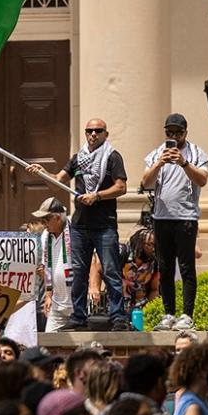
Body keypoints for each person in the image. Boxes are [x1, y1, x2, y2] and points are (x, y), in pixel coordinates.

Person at [28, 118, 129, 330]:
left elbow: (121, 187)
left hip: (104, 225)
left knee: (110, 271)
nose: (93, 134)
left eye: (98, 131)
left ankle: (118, 317)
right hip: (80, 225)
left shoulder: (112, 157)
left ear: (105, 134)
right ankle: (78, 317)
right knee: (79, 273)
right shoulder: (78, 158)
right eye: (89, 131)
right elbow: (57, 182)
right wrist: (42, 173)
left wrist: (98, 196)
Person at [141, 113, 208, 332]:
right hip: (162, 218)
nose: (173, 136)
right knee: (165, 268)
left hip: (186, 218)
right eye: (169, 132)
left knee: (187, 267)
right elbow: (145, 182)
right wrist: (159, 163)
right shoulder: (156, 154)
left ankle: (187, 314)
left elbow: (202, 179)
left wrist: (184, 163)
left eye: (177, 133)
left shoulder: (196, 153)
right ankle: (169, 312)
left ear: (185, 133)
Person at [33, 197, 74, 331]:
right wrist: (48, 296)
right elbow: (47, 268)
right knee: (49, 340)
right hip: (56, 303)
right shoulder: (46, 235)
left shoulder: (75, 230)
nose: (44, 224)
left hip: (77, 303)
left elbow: (92, 260)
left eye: (46, 220)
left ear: (57, 218)